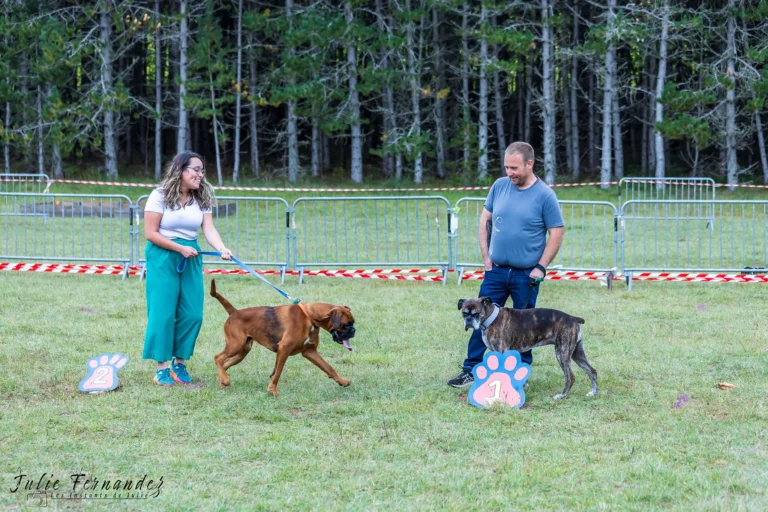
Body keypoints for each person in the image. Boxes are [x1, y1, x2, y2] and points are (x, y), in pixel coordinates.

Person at [448, 142, 565, 388]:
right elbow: (484, 221)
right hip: (496, 271)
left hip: (527, 275)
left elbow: (556, 232)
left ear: (529, 164)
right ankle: (471, 370)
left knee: (525, 326)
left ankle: (520, 375)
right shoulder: (499, 186)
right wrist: (486, 257)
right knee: (481, 321)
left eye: (514, 168)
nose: (509, 173)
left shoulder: (545, 195)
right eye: (506, 167)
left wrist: (541, 267)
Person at [143, 151, 232, 386]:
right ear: (181, 170)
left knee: (193, 313)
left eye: (202, 171)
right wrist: (178, 248)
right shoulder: (159, 195)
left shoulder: (201, 197)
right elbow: (151, 233)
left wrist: (222, 248)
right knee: (163, 312)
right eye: (196, 170)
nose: (200, 175)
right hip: (163, 256)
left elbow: (209, 229)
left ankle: (179, 363)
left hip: (191, 255)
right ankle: (161, 368)